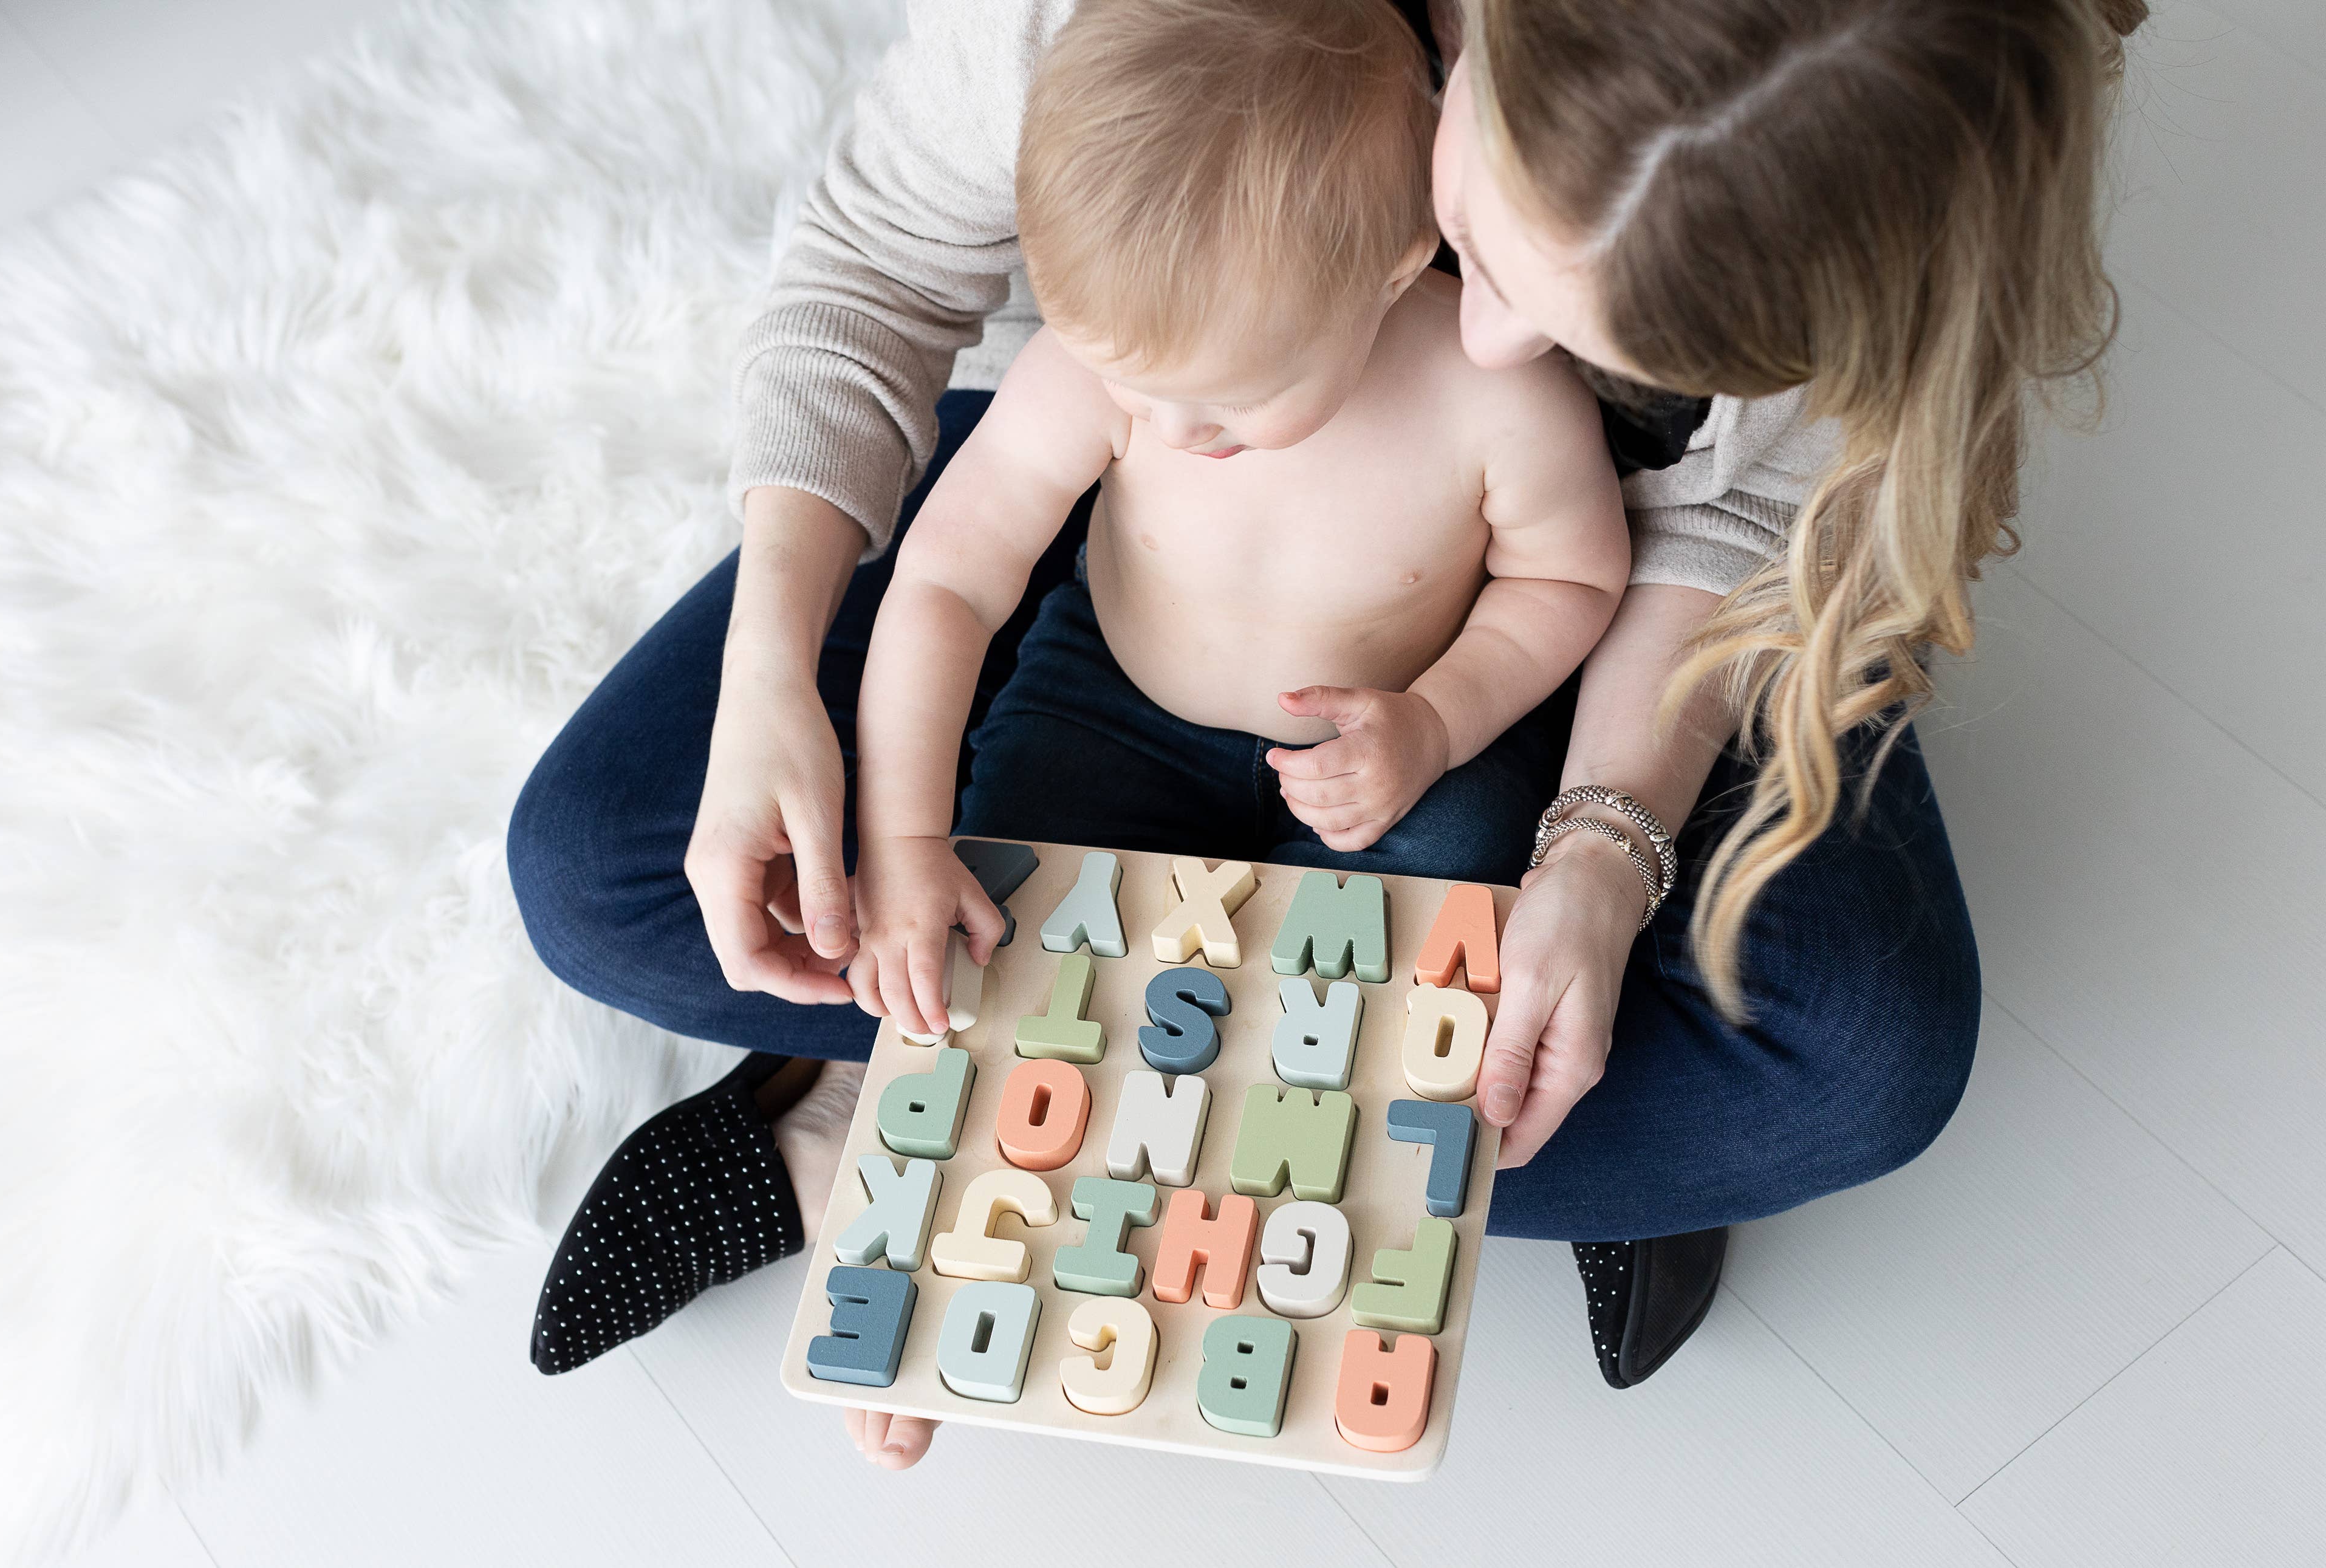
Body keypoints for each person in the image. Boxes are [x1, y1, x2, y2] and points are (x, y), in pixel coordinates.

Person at [505, 0, 2146, 1471]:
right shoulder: (1129, 282)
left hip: (1486, 673)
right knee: (609, 868)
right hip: (1134, 540)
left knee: (1844, 1053)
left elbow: (1659, 544)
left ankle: (1019, 1136)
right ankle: (952, 1139)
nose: (1498, 344)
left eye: (1598, 339)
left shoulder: (1580, 353)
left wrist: (1598, 842)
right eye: (1487, 245)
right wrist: (780, 687)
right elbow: (902, 358)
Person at [852, 0, 1626, 1043]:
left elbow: (1570, 581)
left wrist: (1439, 721)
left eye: (1227, 400)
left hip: (1406, 726)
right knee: (999, 910)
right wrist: (903, 837)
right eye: (1136, 386)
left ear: (1395, 271)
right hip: (1114, 704)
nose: (1170, 428)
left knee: (1458, 905)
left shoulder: (1498, 402)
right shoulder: (1102, 371)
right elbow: (948, 579)